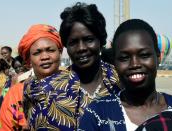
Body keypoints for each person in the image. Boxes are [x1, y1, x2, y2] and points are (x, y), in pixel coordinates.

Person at [23, 2, 119, 130]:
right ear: (66, 46)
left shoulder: (120, 81)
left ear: (100, 40)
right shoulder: (44, 90)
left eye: (88, 39)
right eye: (73, 42)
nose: (81, 48)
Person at [78, 19, 172, 131]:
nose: (134, 64)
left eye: (144, 55)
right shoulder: (97, 113)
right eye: (124, 58)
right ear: (114, 62)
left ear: (158, 57)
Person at [0, 24, 64, 131]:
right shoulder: (17, 93)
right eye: (37, 53)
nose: (45, 57)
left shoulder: (76, 85)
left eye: (50, 50)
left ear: (60, 52)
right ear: (28, 60)